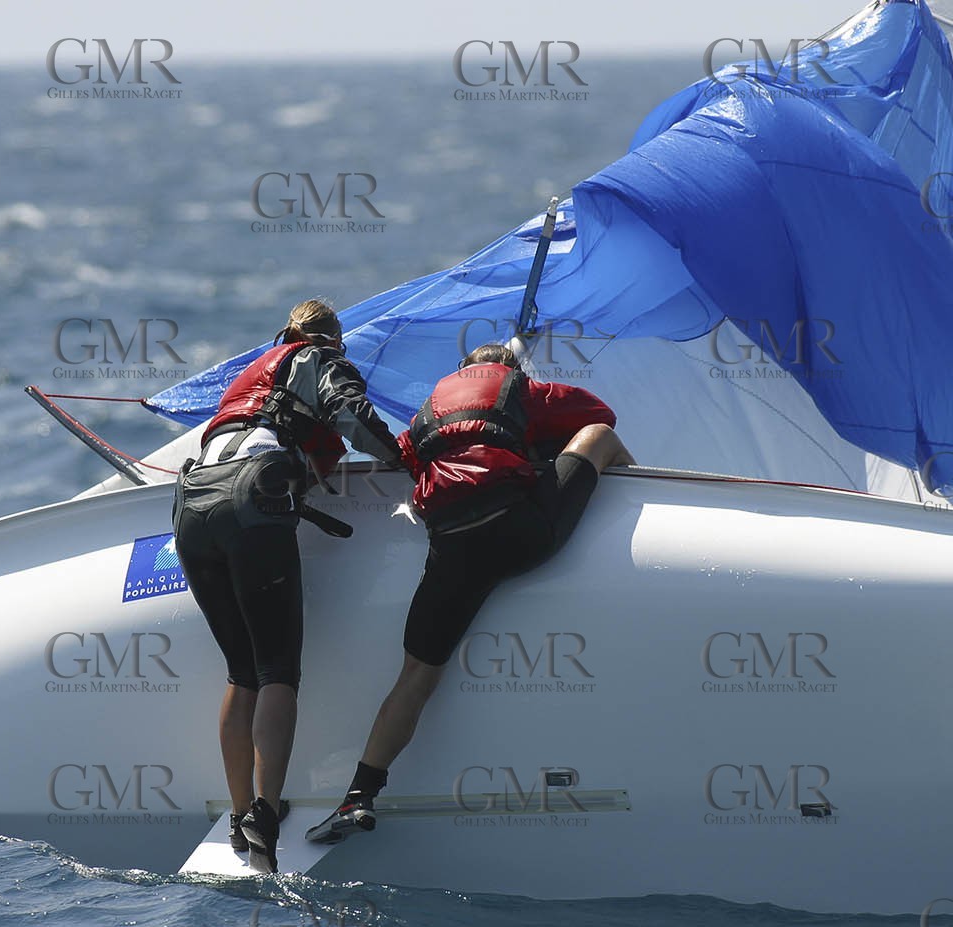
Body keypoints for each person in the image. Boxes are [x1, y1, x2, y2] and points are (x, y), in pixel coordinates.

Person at [306, 341, 632, 845]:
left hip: (453, 548)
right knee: (598, 436)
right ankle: (643, 506)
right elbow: (598, 413)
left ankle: (358, 797)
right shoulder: (520, 388)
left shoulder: (423, 416)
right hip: (520, 532)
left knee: (414, 677)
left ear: (459, 372)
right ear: (508, 369)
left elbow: (411, 464)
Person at [173, 299, 403, 873]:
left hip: (191, 502)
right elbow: (351, 417)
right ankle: (267, 813)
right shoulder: (320, 359)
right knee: (278, 671)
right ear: (332, 340)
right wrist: (406, 458)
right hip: (252, 493)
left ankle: (237, 812)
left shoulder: (252, 373)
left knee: (241, 670)